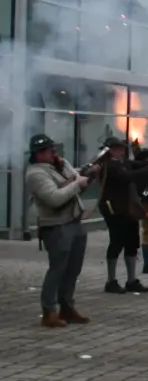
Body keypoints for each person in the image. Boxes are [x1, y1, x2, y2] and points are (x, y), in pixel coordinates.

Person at [26, 133, 95, 327]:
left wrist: (89, 176)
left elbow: (78, 186)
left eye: (52, 148)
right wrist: (77, 183)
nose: (53, 152)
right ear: (38, 154)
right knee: (57, 269)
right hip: (55, 225)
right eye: (48, 150)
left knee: (73, 268)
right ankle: (49, 311)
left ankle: (67, 307)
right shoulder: (35, 174)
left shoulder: (61, 164)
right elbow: (55, 198)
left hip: (74, 221)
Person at [100, 136, 148, 294]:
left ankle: (131, 280)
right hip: (114, 209)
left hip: (128, 209)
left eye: (121, 148)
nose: (121, 150)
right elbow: (127, 176)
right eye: (118, 148)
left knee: (132, 242)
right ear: (110, 149)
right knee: (117, 242)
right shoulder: (108, 165)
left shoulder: (121, 162)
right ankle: (111, 281)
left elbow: (135, 164)